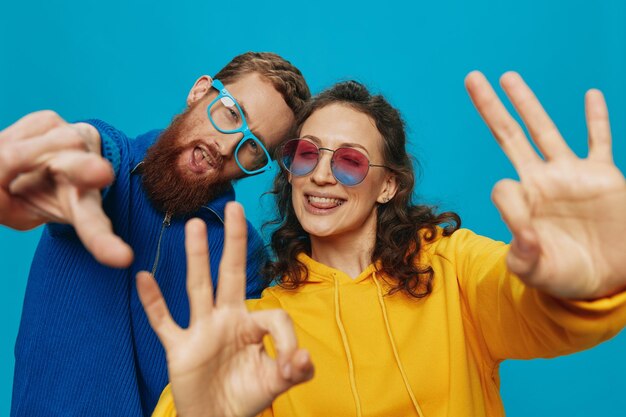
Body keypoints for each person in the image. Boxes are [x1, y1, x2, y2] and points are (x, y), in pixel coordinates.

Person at [147, 71, 626, 417]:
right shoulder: (264, 324)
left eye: (350, 162)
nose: (320, 174)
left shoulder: (452, 266)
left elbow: (533, 308)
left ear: (388, 186)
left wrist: (587, 285)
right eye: (306, 154)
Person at [0, 52, 310, 416]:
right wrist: (65, 154)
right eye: (231, 113)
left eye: (253, 146)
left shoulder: (242, 260)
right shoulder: (111, 167)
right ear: (200, 91)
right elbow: (95, 148)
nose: (226, 147)